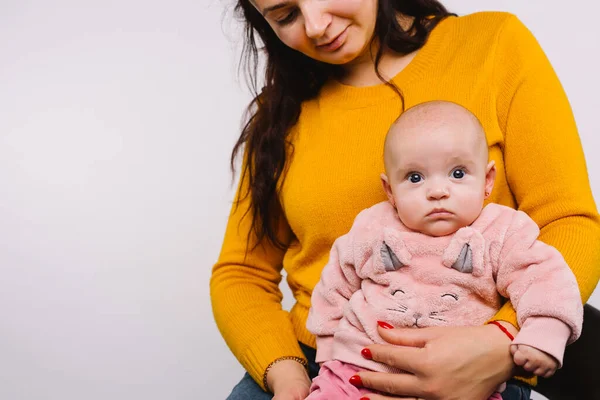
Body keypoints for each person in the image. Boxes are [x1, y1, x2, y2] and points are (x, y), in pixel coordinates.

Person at [210, 1, 600, 399]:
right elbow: (242, 273)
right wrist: (284, 370)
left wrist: (502, 340)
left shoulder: (492, 45)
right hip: (323, 361)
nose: (316, 26)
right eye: (285, 16)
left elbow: (568, 220)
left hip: (477, 361)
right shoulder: (279, 114)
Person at [304, 101, 584, 400]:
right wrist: (329, 349)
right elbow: (334, 285)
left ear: (487, 180)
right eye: (415, 177)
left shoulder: (502, 231)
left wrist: (544, 333)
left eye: (458, 173)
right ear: (390, 191)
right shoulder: (373, 227)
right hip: (356, 370)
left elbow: (547, 280)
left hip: (462, 382)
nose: (438, 191)